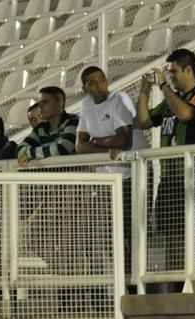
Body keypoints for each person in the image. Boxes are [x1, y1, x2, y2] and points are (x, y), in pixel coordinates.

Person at [135, 48, 195, 293]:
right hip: (169, 177)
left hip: (194, 174)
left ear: (188, 70)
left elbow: (186, 113)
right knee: (172, 235)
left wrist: (163, 87)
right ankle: (176, 290)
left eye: (173, 72)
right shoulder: (170, 100)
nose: (169, 77)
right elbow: (144, 121)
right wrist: (144, 91)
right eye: (168, 73)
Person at [76, 65, 149, 270]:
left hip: (131, 175)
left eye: (102, 79)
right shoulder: (86, 105)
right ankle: (124, 277)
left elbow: (124, 140)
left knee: (132, 231)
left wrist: (95, 142)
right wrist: (107, 143)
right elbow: (80, 146)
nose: (100, 84)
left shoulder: (119, 99)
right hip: (107, 179)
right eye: (93, 81)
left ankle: (135, 279)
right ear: (85, 88)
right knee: (110, 233)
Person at [17, 86, 80, 164]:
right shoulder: (40, 128)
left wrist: (29, 153)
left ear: (59, 102)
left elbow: (62, 149)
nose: (40, 107)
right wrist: (48, 151)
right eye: (39, 103)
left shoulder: (73, 121)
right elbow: (20, 149)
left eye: (45, 102)